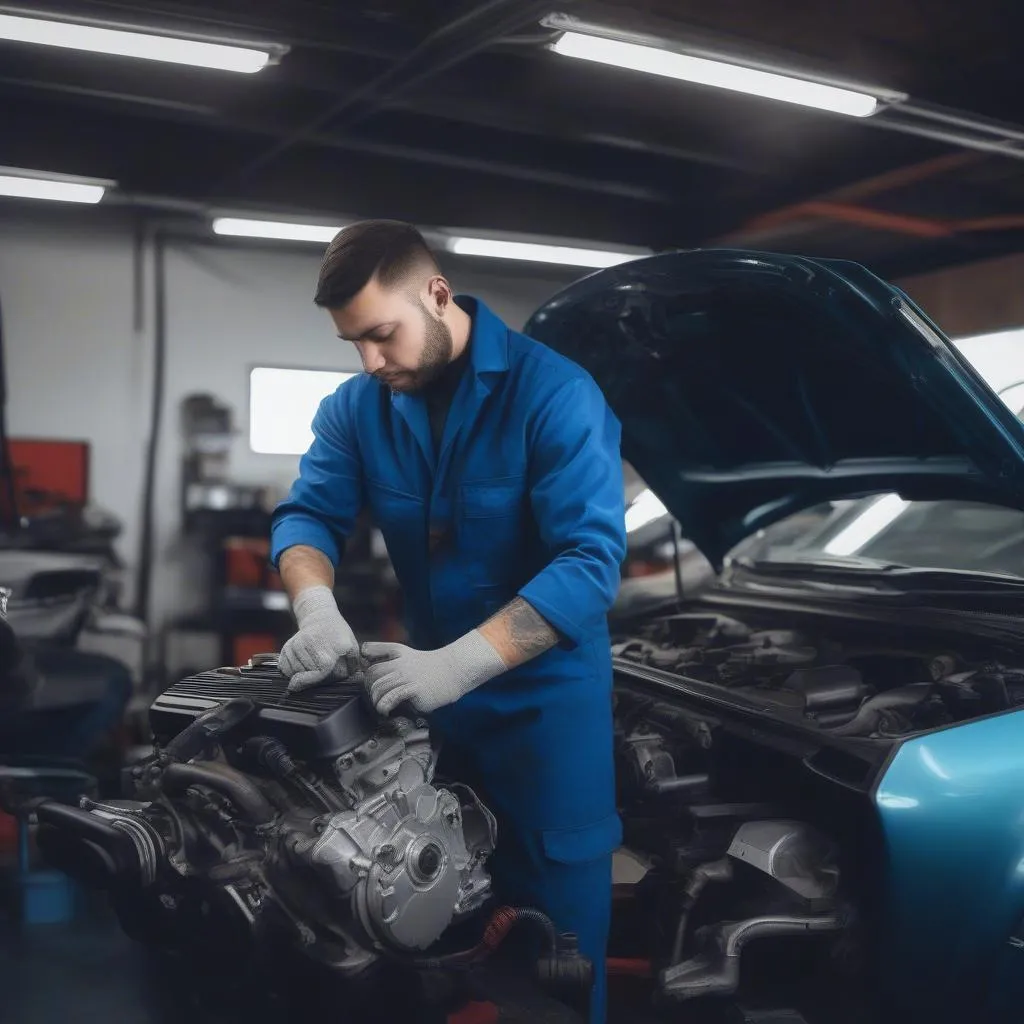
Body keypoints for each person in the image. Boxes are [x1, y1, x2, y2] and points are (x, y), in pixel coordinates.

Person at [270, 220, 626, 1023]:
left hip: (546, 717)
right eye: (352, 342)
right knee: (423, 927)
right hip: (422, 716)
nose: (369, 361)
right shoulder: (357, 408)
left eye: (381, 335)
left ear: (437, 294)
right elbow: (306, 519)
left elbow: (589, 563)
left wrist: (459, 663)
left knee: (557, 961)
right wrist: (314, 605)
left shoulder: (555, 394)